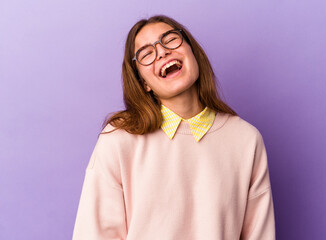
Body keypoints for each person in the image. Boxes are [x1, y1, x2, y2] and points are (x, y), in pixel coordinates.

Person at [73, 15, 276, 240]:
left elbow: (259, 234)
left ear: (192, 52)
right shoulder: (118, 140)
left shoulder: (246, 140)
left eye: (170, 40)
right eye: (147, 54)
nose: (162, 52)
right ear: (144, 83)